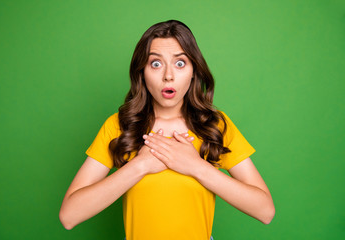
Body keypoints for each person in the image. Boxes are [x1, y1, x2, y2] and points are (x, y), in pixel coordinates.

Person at [59, 20, 275, 240]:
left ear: (193, 71)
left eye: (180, 63)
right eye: (156, 64)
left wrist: (195, 167)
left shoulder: (214, 125)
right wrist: (140, 166)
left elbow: (265, 211)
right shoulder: (119, 126)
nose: (168, 76)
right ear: (141, 72)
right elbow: (69, 216)